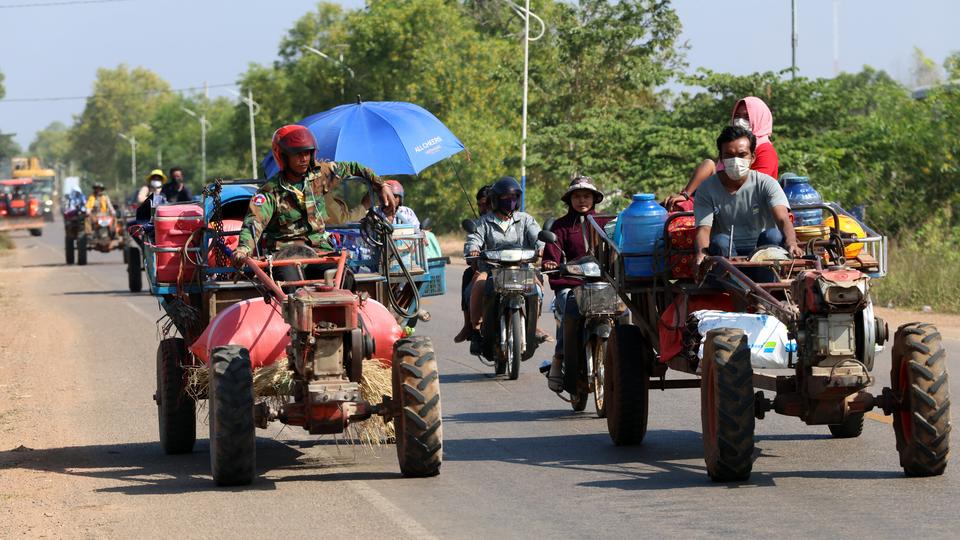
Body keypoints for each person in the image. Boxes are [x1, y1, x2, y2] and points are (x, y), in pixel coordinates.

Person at [233, 124, 394, 262]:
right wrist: (243, 249)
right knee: (290, 283)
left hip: (320, 250)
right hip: (285, 255)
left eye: (307, 152)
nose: (304, 158)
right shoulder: (270, 191)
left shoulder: (320, 175)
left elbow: (354, 167)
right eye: (297, 154)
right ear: (284, 156)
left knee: (343, 276)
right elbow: (254, 222)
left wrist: (381, 185)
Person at [693, 125, 803, 273]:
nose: (735, 161)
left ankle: (765, 280)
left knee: (773, 235)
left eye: (742, 155)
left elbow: (783, 219)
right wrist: (702, 252)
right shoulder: (707, 188)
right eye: (729, 155)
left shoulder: (766, 183)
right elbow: (703, 229)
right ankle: (735, 281)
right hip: (727, 252)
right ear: (721, 158)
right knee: (719, 241)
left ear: (752, 158)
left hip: (762, 251)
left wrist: (791, 242)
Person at [541, 176, 608, 392]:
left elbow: (616, 248)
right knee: (570, 307)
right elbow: (551, 255)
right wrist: (551, 263)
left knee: (623, 311)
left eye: (586, 196)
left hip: (601, 284)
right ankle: (559, 358)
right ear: (570, 200)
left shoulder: (605, 223)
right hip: (569, 284)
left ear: (594, 199)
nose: (582, 200)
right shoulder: (560, 226)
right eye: (577, 196)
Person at [463, 176, 544, 353]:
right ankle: (476, 329)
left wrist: (542, 247)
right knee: (478, 284)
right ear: (495, 200)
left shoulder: (525, 219)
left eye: (513, 197)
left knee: (537, 288)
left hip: (522, 269)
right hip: (491, 270)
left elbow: (538, 236)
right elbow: (474, 239)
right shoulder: (484, 222)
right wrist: (473, 249)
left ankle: (533, 325)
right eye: (505, 198)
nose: (510, 201)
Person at [666, 96, 779, 211]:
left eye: (746, 117)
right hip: (719, 192)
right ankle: (685, 197)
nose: (740, 121)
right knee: (708, 164)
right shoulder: (731, 145)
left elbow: (756, 187)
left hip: (744, 203)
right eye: (737, 116)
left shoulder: (765, 150)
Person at [453, 185, 492, 343]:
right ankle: (468, 324)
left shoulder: (514, 220)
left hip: (510, 268)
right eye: (480, 205)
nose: (483, 208)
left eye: (486, 204)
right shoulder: (478, 225)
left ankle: (533, 325)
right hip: (486, 268)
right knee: (468, 274)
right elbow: (471, 246)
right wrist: (473, 253)